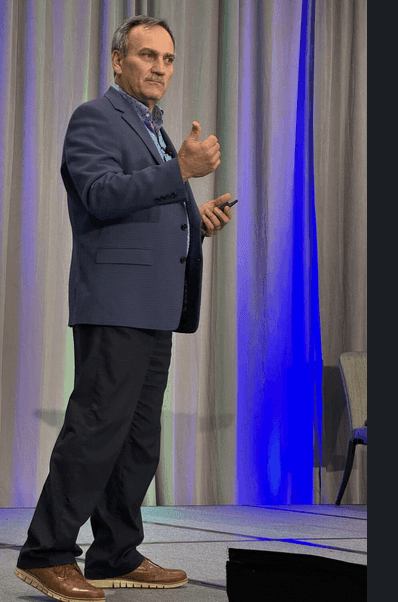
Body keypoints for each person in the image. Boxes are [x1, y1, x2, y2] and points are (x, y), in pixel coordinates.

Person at [14, 14, 231, 602]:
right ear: (118, 61)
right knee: (95, 429)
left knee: (137, 439)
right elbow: (101, 195)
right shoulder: (95, 117)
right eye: (146, 56)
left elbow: (148, 205)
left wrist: (195, 220)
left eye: (167, 59)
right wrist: (181, 171)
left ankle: (115, 551)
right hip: (115, 302)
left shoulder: (154, 127)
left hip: (154, 305)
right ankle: (47, 552)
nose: (159, 67)